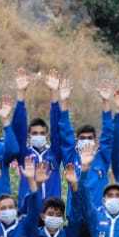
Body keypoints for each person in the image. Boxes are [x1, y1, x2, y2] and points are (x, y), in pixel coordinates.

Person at [12, 69, 77, 204]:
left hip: (52, 209)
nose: (38, 136)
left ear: (47, 135)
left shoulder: (54, 154)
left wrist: (54, 95)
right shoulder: (24, 155)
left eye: (42, 133)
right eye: (35, 133)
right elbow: (19, 129)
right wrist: (21, 95)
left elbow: (57, 130)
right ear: (29, 135)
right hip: (29, 210)